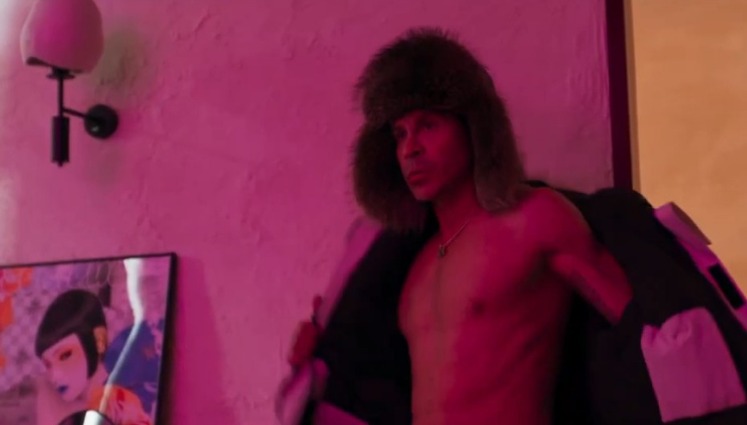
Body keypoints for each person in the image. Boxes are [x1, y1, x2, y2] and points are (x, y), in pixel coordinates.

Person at [288, 27, 633, 425]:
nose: (410, 149)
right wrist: (321, 358)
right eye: (399, 134)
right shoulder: (414, 267)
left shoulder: (534, 219)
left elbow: (642, 336)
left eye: (427, 125)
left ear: (474, 128)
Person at [35, 289, 152, 425]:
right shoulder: (49, 397)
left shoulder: (124, 400)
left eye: (65, 355)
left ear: (99, 340)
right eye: (48, 365)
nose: (54, 376)